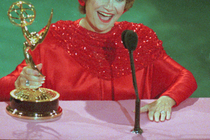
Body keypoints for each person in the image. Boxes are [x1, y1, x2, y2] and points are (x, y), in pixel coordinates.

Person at [0, 0, 197, 122]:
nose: (110, 6)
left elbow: (184, 77)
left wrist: (167, 100)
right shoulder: (54, 38)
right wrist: (21, 83)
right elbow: (4, 87)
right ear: (84, 0)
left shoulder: (138, 37)